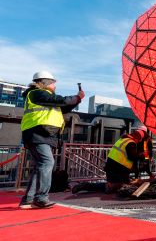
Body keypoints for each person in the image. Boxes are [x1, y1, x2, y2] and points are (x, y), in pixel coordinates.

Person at [19, 71, 84, 209]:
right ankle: (41, 198)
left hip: (40, 134)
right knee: (47, 162)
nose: (55, 85)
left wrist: (77, 100)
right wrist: (76, 97)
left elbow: (64, 107)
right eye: (53, 82)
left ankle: (28, 199)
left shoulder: (45, 97)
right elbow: (60, 100)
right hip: (38, 134)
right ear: (45, 82)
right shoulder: (37, 92)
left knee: (39, 167)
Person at [72, 130, 146, 194]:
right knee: (119, 187)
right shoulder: (131, 142)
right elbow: (132, 157)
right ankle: (86, 185)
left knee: (119, 186)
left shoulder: (122, 140)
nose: (138, 142)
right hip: (119, 169)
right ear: (138, 137)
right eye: (139, 140)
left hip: (112, 166)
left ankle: (87, 186)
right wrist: (142, 155)